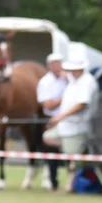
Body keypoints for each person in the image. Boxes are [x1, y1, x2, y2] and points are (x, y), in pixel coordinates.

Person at [42, 47, 98, 193]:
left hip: (77, 127)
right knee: (49, 138)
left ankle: (71, 184)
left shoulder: (87, 82)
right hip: (65, 127)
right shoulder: (74, 81)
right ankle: (79, 154)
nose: (69, 72)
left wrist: (59, 117)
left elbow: (81, 104)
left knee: (72, 156)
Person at [30, 53, 68, 190]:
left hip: (68, 118)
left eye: (59, 63)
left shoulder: (68, 80)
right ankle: (52, 181)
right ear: (49, 66)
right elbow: (48, 105)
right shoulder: (45, 82)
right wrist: (66, 99)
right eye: (54, 64)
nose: (57, 67)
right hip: (51, 120)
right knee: (51, 150)